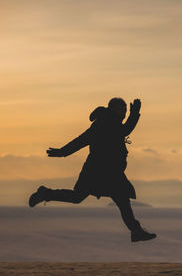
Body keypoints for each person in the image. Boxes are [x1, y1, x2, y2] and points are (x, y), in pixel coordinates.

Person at [28, 98, 156, 242]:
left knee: (122, 201)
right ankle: (45, 193)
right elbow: (82, 140)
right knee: (78, 197)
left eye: (126, 109)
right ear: (113, 108)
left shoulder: (109, 122)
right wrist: (62, 152)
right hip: (96, 172)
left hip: (112, 174)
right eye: (123, 108)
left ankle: (136, 231)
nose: (125, 111)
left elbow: (120, 131)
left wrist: (62, 152)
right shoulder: (105, 123)